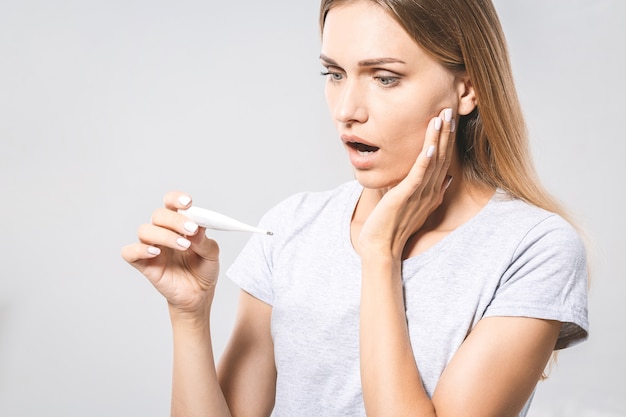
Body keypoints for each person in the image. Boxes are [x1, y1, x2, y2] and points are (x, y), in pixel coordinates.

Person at [121, 0, 589, 416]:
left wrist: (380, 254)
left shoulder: (534, 248)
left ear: (467, 89)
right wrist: (189, 317)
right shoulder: (291, 226)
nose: (347, 109)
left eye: (385, 78)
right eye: (334, 74)